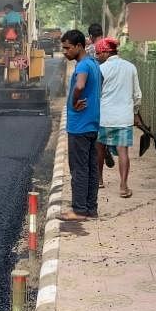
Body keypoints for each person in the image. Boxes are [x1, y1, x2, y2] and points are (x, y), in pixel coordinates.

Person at [60, 29, 102, 221]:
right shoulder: (94, 63)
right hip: (92, 122)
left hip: (80, 125)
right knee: (91, 167)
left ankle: (78, 210)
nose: (64, 52)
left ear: (78, 46)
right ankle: (91, 209)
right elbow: (101, 81)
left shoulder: (83, 66)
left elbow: (79, 86)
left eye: (67, 48)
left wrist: (75, 101)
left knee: (79, 168)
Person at [95, 37, 142, 198]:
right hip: (124, 118)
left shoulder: (101, 70)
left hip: (104, 117)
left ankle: (99, 180)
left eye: (99, 53)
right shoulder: (130, 67)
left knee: (99, 149)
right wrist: (135, 112)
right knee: (123, 151)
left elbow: (97, 93)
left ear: (107, 52)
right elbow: (137, 94)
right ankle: (123, 186)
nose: (97, 56)